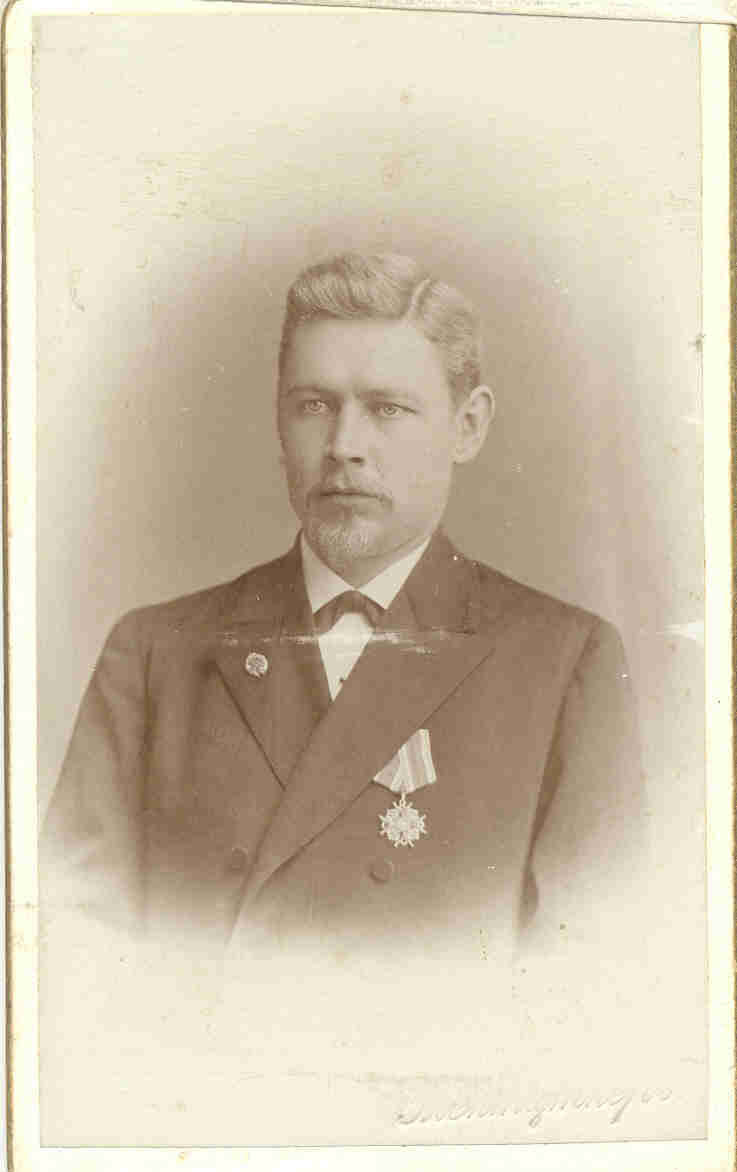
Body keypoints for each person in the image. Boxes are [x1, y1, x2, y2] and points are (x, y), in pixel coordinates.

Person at [41, 251, 645, 962]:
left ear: (468, 426)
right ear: (278, 419)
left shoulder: (563, 663)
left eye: (387, 408)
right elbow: (75, 957)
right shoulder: (154, 655)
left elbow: (585, 982)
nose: (343, 446)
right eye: (314, 405)